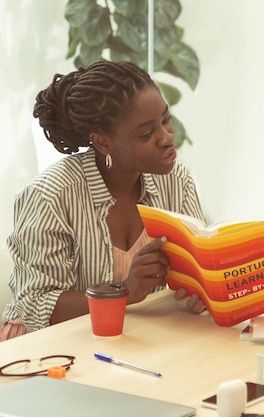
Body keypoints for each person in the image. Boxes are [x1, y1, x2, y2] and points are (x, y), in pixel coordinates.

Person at [0, 61, 207, 341]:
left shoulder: (176, 180)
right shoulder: (52, 195)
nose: (166, 138)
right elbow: (37, 307)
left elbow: (193, 271)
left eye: (165, 120)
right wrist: (124, 290)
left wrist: (200, 291)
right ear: (103, 143)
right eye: (146, 134)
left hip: (134, 336)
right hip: (44, 348)